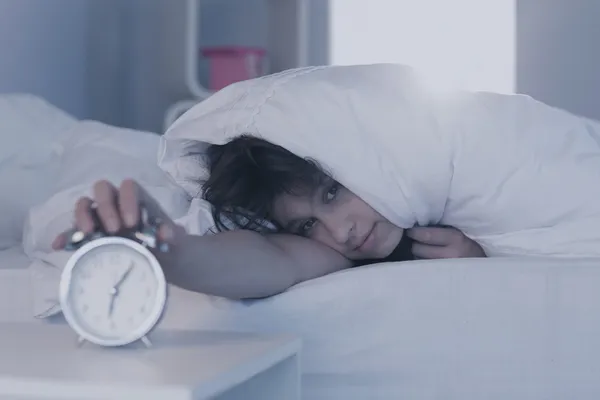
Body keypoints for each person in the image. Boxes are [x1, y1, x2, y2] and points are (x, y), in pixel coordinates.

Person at [52, 136, 485, 300]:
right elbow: (268, 256)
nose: (340, 232)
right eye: (306, 225)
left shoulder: (450, 190)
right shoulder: (335, 253)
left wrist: (481, 256)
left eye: (332, 193)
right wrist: (171, 247)